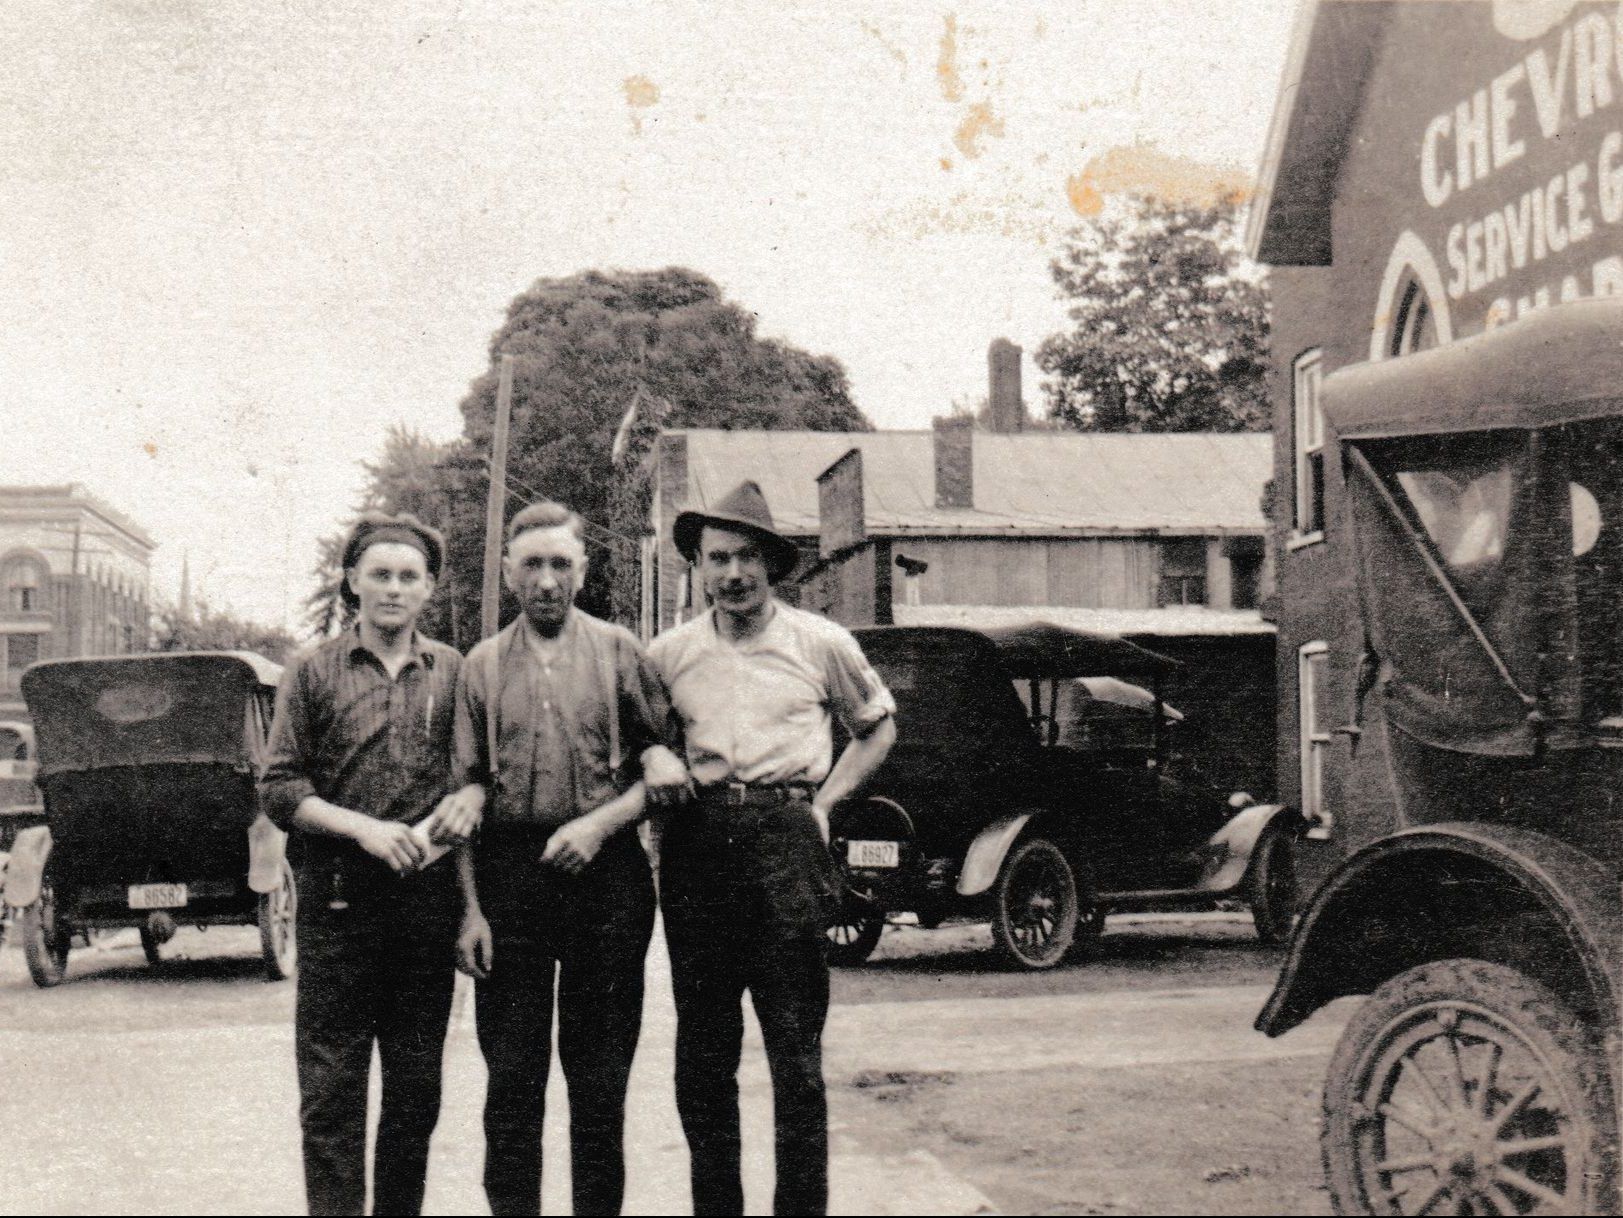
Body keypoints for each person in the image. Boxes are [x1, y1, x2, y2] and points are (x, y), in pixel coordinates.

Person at [650, 480, 897, 1216]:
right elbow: (643, 744)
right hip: (697, 842)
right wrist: (656, 761)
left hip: (785, 838)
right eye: (718, 558)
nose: (733, 574)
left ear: (772, 564)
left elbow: (877, 726)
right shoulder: (668, 655)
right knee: (703, 1056)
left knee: (794, 1056)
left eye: (748, 558)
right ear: (698, 566)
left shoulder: (820, 642)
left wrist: (822, 805)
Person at [451, 501, 684, 1217]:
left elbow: (666, 770)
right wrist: (470, 912)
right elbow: (463, 794)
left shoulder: (620, 651)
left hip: (606, 876)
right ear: (507, 573)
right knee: (511, 1082)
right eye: (532, 564)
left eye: (560, 564)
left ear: (583, 570)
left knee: (599, 1082)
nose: (546, 580)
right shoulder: (480, 667)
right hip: (511, 878)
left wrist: (600, 825)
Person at [261, 512, 484, 1217]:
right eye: (379, 574)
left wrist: (470, 897)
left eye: (408, 576)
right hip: (338, 904)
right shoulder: (312, 670)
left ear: (429, 588)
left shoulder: (453, 671)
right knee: (331, 1095)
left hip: (425, 907)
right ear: (353, 581)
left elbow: (473, 781)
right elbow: (280, 788)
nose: (393, 588)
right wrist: (363, 830)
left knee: (415, 1095)